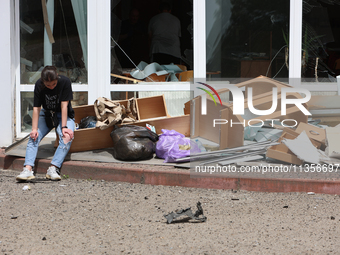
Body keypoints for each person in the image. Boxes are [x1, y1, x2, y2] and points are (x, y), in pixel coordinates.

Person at [16, 66, 75, 182]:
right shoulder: (38, 84)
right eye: (48, 85)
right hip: (46, 115)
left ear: (57, 77)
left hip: (64, 115)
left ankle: (53, 168)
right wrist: (34, 129)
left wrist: (64, 127)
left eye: (54, 84)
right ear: (43, 82)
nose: (51, 87)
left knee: (67, 137)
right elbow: (37, 108)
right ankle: (27, 169)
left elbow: (64, 106)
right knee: (34, 136)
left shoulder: (65, 82)